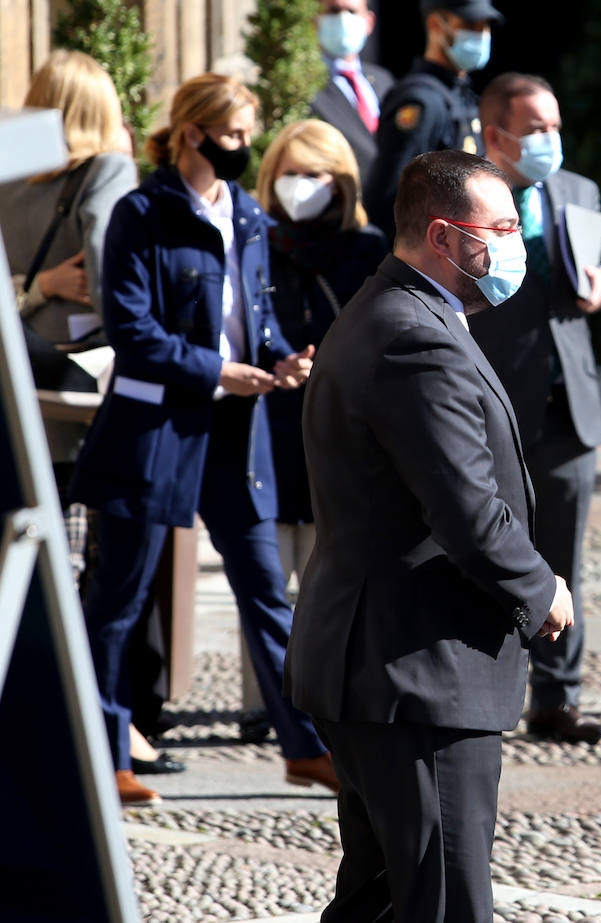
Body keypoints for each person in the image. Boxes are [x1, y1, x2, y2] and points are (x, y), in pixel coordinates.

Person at [284, 150, 574, 923]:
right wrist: (540, 587)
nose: (517, 242)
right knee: (441, 903)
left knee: (381, 898)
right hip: (416, 670)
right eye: (503, 227)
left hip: (386, 664)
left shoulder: (404, 312)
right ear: (445, 237)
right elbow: (464, 507)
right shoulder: (415, 336)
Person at [69, 73, 333, 807]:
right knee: (118, 599)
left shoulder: (245, 213)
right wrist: (220, 371)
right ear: (192, 132)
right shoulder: (141, 214)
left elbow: (254, 315)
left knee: (265, 592)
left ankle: (308, 745)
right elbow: (133, 334)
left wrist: (282, 357)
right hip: (154, 431)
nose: (247, 149)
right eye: (236, 135)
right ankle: (108, 746)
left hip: (235, 431)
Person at [467, 73, 601, 745]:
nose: (549, 140)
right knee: (487, 552)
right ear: (494, 135)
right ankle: (483, 690)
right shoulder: (464, 191)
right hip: (493, 394)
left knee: (565, 556)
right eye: (534, 130)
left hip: (569, 402)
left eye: (554, 127)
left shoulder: (577, 190)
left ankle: (557, 697)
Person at [0, 50, 137, 584]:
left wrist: (34, 290)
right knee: (84, 567)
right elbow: (111, 274)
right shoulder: (108, 168)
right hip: (83, 396)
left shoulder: (9, 175)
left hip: (20, 386)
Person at [255, 119, 388, 597]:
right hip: (266, 447)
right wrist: (275, 363)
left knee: (331, 619)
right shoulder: (252, 243)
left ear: (341, 181)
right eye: (289, 173)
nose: (299, 185)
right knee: (266, 619)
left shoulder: (368, 249)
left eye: (314, 174)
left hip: (338, 456)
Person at [363, 0, 502, 241]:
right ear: (436, 25)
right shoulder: (421, 101)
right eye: (470, 25)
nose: (481, 35)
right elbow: (389, 197)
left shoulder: (463, 96)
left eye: (485, 26)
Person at [308, 0, 395, 181]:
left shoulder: (382, 79)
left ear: (369, 22)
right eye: (333, 11)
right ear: (314, 20)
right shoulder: (304, 86)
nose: (343, 19)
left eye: (352, 11)